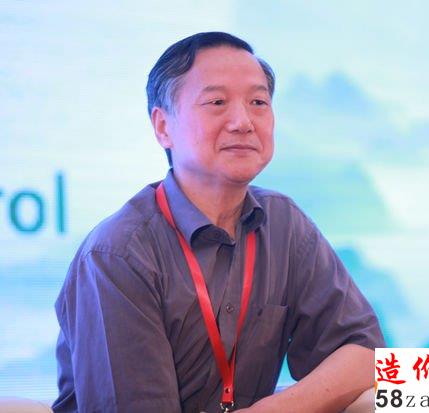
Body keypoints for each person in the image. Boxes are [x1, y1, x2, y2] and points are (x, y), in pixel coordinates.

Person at [52, 32, 385, 413]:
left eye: (258, 102)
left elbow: (364, 352)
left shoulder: (283, 223)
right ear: (163, 127)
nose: (243, 122)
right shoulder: (117, 255)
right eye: (217, 102)